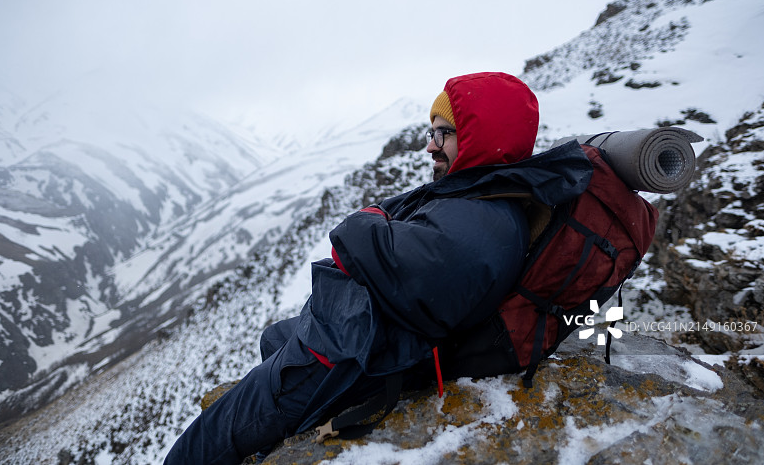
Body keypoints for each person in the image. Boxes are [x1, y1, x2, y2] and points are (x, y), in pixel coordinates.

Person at [164, 72, 591, 464]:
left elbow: (360, 242)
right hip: (360, 333)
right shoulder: (483, 194)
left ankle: (277, 420)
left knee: (195, 449)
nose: (430, 145)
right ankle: (279, 426)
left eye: (444, 133)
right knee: (272, 336)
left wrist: (366, 220)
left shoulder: (478, 224)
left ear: (483, 137)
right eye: (432, 132)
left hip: (349, 356)